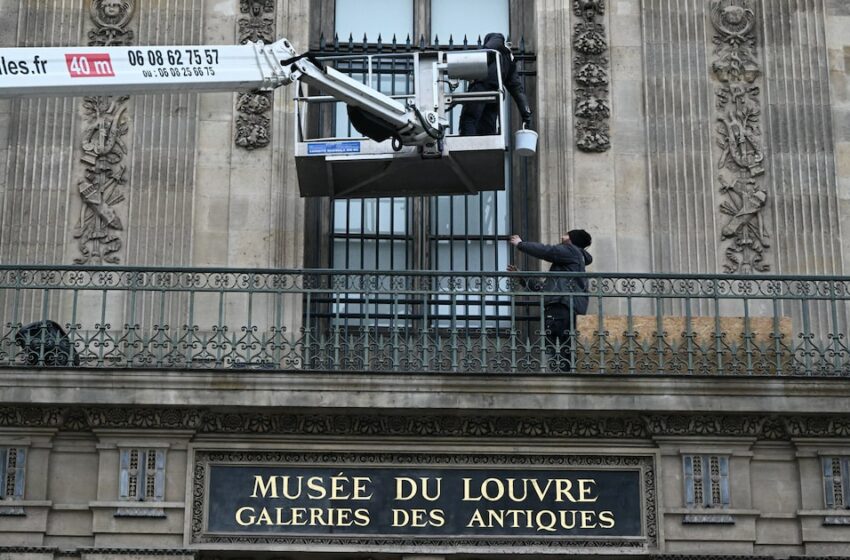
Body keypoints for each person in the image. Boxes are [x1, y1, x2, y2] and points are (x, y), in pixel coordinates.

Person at [508, 229, 593, 372]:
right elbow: (545, 288)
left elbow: (547, 251)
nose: (562, 236)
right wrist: (522, 277)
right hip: (566, 307)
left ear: (572, 239)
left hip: (560, 307)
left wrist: (521, 244)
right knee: (563, 350)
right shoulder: (569, 265)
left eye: (566, 234)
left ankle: (563, 379)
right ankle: (564, 376)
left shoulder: (571, 251)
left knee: (557, 349)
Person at [459, 32, 533, 136]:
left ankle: (465, 147)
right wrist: (526, 115)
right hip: (495, 93)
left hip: (480, 88)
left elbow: (489, 48)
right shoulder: (509, 62)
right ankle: (486, 150)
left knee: (469, 119)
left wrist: (472, 70)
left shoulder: (496, 40)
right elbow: (517, 90)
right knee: (488, 126)